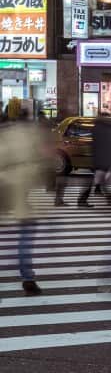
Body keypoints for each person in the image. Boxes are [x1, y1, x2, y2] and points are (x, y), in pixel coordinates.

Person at [0, 117, 46, 296]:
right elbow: (36, 161)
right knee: (26, 234)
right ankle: (28, 278)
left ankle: (28, 277)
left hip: (7, 188)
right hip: (20, 189)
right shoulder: (23, 134)